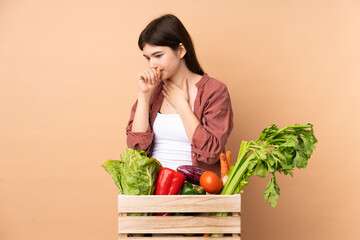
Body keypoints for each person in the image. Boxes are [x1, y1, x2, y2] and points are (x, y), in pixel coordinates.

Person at [126, 14, 233, 175]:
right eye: (148, 58)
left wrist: (182, 106)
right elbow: (136, 150)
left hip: (196, 192)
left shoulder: (215, 91)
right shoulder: (153, 90)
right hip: (153, 190)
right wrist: (144, 95)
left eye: (158, 55)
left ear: (181, 50)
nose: (151, 65)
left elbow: (212, 151)